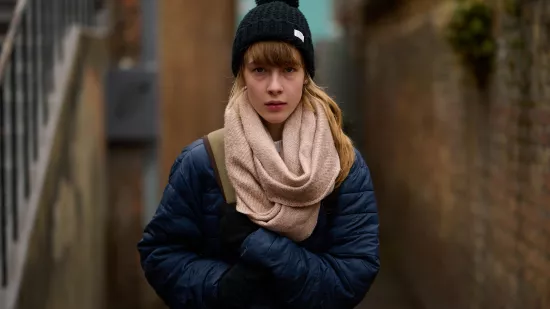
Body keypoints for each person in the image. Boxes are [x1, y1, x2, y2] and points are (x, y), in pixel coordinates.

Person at [137, 0, 380, 308]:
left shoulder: (343, 166)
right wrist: (220, 286)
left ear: (306, 75)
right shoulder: (203, 161)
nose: (274, 86)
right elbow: (161, 254)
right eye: (260, 70)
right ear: (243, 74)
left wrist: (260, 245)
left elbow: (350, 277)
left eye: (289, 69)